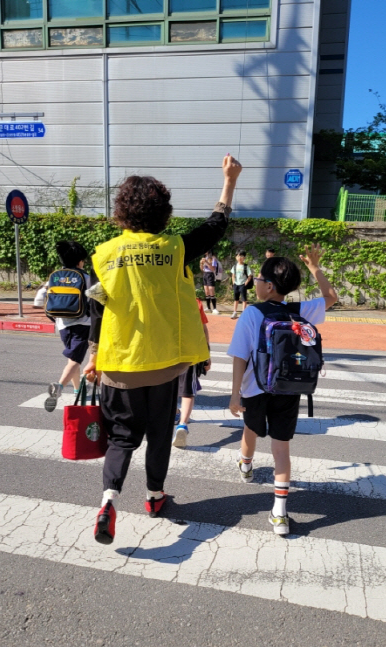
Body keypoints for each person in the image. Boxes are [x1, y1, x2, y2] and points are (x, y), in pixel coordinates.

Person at [84, 155, 243, 545]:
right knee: (158, 435)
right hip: (165, 364)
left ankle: (107, 502)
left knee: (122, 438)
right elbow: (215, 226)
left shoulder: (103, 256)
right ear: (164, 213)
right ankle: (155, 497)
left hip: (119, 365)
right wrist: (228, 181)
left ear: (122, 212)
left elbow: (98, 311)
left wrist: (93, 356)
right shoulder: (175, 249)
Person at [227, 245, 337, 536]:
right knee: (281, 449)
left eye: (259, 279)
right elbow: (331, 297)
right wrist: (315, 267)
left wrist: (235, 394)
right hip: (289, 387)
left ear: (269, 286)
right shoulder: (299, 310)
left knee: (250, 429)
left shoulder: (252, 313)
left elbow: (239, 356)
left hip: (255, 388)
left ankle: (246, 465)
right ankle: (280, 514)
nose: (255, 282)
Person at [44, 241, 91, 412]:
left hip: (62, 324)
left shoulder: (56, 276)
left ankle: (78, 390)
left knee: (72, 358)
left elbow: (43, 295)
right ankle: (59, 387)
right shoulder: (86, 277)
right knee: (75, 359)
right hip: (83, 323)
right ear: (80, 261)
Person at [172, 297, 211, 448]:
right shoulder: (194, 301)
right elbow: (203, 328)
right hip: (191, 352)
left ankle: (174, 412)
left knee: (169, 386)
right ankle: (182, 424)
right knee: (188, 390)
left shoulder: (163, 295)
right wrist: (207, 354)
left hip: (168, 351)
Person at [231, 250, 252, 319]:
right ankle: (234, 312)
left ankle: (243, 313)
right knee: (236, 299)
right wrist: (233, 282)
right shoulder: (234, 266)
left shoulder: (246, 266)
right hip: (236, 284)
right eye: (238, 256)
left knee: (244, 299)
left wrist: (245, 283)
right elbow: (233, 275)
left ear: (244, 257)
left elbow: (250, 275)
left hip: (242, 284)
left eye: (241, 256)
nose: (239, 257)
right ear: (236, 257)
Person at [200, 250, 220, 314]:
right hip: (205, 274)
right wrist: (201, 263)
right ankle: (208, 307)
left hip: (210, 274)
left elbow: (213, 269)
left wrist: (206, 262)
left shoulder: (213, 258)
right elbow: (202, 269)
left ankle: (214, 308)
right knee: (206, 291)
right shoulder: (205, 258)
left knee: (211, 290)